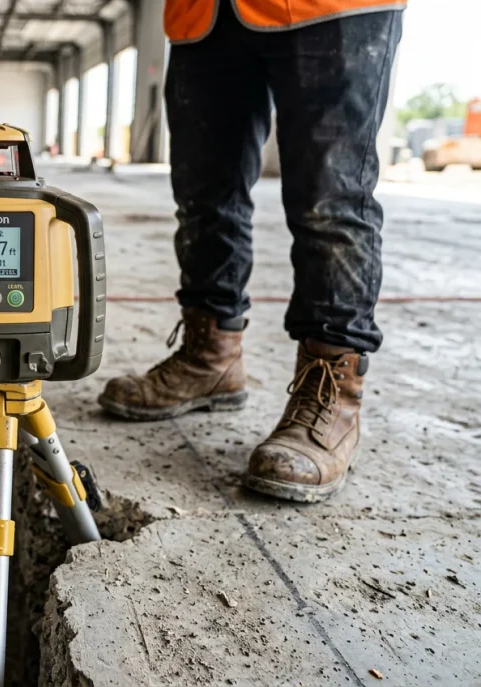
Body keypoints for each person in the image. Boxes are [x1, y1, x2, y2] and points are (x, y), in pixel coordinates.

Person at [98, 0, 405, 504]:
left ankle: (333, 388)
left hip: (332, 10)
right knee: (204, 199)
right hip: (205, 15)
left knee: (330, 201)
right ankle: (209, 358)